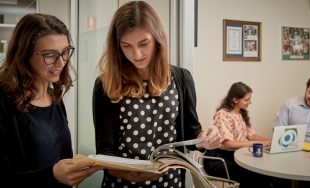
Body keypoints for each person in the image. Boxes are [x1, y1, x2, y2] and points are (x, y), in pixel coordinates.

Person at [92, 1, 221, 187]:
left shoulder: (181, 78)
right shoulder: (106, 84)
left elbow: (191, 136)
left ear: (157, 38)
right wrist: (130, 174)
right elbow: (105, 152)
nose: (136, 54)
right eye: (126, 46)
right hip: (122, 183)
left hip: (171, 182)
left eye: (143, 43)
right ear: (117, 46)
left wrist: (206, 138)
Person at [0, 13, 101, 188]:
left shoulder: (54, 97)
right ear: (24, 55)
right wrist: (53, 175)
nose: (61, 62)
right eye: (49, 54)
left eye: (65, 52)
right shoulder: (3, 101)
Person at [203, 82, 286, 188]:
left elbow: (252, 135)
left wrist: (272, 141)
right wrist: (259, 143)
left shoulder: (242, 113)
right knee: (254, 175)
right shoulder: (222, 114)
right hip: (218, 160)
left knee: (267, 173)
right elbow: (228, 144)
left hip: (236, 157)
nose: (249, 102)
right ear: (235, 99)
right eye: (246, 100)